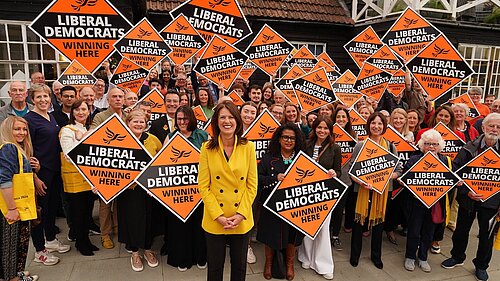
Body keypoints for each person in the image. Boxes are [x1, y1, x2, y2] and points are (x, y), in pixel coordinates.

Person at [198, 101, 257, 281]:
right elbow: (203, 186)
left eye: (231, 117)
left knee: (239, 268)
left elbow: (251, 185)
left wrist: (240, 214)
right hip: (216, 218)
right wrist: (218, 215)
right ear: (216, 122)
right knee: (215, 269)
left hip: (241, 218)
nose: (227, 121)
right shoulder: (207, 148)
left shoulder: (248, 147)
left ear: (237, 121)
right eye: (222, 117)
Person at [441, 113, 500, 281]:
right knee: (461, 231)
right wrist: (467, 192)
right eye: (491, 126)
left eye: (498, 127)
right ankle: (457, 257)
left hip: (492, 203)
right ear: (483, 127)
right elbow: (456, 173)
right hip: (468, 200)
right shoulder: (469, 147)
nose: (494, 129)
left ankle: (481, 265)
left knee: (486, 236)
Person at [346, 112, 402, 269]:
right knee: (358, 223)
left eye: (379, 124)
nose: (376, 126)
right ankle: (354, 255)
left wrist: (385, 176)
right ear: (368, 125)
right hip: (361, 190)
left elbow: (398, 170)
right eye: (373, 123)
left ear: (384, 126)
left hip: (382, 192)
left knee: (378, 224)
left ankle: (376, 256)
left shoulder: (391, 147)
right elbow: (351, 169)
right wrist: (361, 181)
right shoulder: (360, 146)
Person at [24, 84, 70, 265]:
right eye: (39, 97)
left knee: (51, 208)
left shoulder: (50, 115)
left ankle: (50, 240)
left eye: (46, 96)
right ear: (32, 99)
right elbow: (26, 148)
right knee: (39, 212)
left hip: (55, 169)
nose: (43, 100)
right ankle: (39, 251)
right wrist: (34, 177)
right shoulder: (29, 120)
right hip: (41, 172)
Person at [258, 123, 306, 280]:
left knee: (292, 235)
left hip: (294, 205)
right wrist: (274, 178)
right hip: (271, 205)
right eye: (285, 137)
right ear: (279, 139)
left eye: (292, 138)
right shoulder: (268, 157)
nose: (289, 140)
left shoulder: (302, 159)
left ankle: (289, 263)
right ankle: (269, 263)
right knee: (270, 234)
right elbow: (258, 179)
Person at [164, 106, 209, 272]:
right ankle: (182, 258)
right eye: (179, 119)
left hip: (200, 190)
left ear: (191, 119)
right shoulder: (170, 137)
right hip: (179, 191)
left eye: (185, 118)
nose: (182, 122)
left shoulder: (203, 135)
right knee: (180, 226)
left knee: (199, 224)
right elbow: (162, 163)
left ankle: (201, 256)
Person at [117, 110, 162, 272]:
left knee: (149, 219)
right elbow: (107, 163)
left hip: (148, 189)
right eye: (135, 122)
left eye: (141, 122)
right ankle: (135, 252)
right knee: (131, 219)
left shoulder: (152, 140)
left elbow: (162, 160)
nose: (138, 125)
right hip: (127, 189)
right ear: (128, 123)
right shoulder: (120, 140)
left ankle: (148, 249)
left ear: (146, 124)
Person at [298, 116, 341, 280]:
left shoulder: (335, 148)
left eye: (325, 128)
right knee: (307, 226)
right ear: (314, 128)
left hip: (324, 194)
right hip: (307, 192)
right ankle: (306, 257)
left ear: (330, 131)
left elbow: (339, 171)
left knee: (323, 229)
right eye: (319, 127)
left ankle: (324, 264)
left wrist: (334, 174)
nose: (322, 131)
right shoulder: (306, 145)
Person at [403, 129, 451, 273]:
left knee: (429, 232)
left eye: (435, 144)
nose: (431, 147)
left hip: (435, 203)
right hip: (416, 202)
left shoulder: (445, 160)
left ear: (440, 146)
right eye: (428, 144)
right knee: (414, 230)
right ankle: (410, 256)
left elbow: (450, 179)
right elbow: (406, 178)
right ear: (422, 145)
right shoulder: (414, 160)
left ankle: (423, 257)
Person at [0, 116, 39, 281]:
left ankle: (14, 273)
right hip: (13, 206)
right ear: (8, 130)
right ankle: (13, 278)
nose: (22, 133)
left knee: (14, 243)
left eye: (24, 129)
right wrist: (12, 208)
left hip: (16, 204)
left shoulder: (16, 148)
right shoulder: (8, 148)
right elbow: (4, 180)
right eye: (17, 129)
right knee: (12, 245)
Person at [59, 99, 97, 256]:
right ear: (72, 112)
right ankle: (81, 243)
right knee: (78, 213)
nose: (81, 112)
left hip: (88, 179)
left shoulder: (86, 129)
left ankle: (86, 240)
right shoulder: (67, 130)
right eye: (77, 110)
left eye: (84, 109)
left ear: (88, 112)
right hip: (75, 179)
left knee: (87, 212)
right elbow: (69, 155)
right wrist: (83, 139)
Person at [91, 87, 126, 249]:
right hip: (105, 165)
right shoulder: (100, 116)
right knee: (105, 204)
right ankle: (105, 233)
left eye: (120, 97)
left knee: (121, 203)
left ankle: (119, 228)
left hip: (124, 166)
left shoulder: (127, 116)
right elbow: (92, 134)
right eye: (115, 97)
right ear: (109, 100)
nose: (118, 99)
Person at [331, 107, 357, 247]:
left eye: (343, 117)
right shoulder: (329, 134)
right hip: (330, 178)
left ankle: (335, 234)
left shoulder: (354, 136)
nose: (341, 119)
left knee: (339, 210)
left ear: (348, 120)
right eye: (338, 117)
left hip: (345, 179)